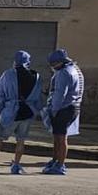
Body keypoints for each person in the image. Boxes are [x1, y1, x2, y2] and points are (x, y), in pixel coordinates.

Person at [0, 50, 42, 174]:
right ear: (28, 62)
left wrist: (0, 110)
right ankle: (16, 165)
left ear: (15, 61)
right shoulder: (36, 76)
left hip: (10, 111)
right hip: (27, 112)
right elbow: (38, 97)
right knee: (21, 140)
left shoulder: (8, 74)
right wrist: (35, 111)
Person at [42, 48, 84, 176]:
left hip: (63, 108)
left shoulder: (63, 73)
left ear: (59, 62)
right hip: (73, 107)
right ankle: (56, 161)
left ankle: (59, 164)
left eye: (53, 64)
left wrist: (53, 110)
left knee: (60, 138)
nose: (52, 67)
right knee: (59, 136)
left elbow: (60, 93)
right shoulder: (76, 70)